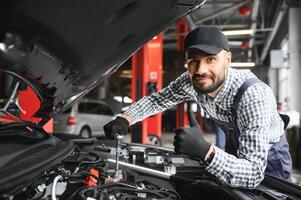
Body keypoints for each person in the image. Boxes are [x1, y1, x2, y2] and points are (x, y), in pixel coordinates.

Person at [104, 26, 292, 189]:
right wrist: (126, 118)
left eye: (210, 59)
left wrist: (206, 152)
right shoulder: (190, 81)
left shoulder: (253, 96)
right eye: (193, 61)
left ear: (227, 59)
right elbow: (158, 100)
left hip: (270, 159)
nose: (201, 70)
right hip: (235, 148)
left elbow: (253, 173)